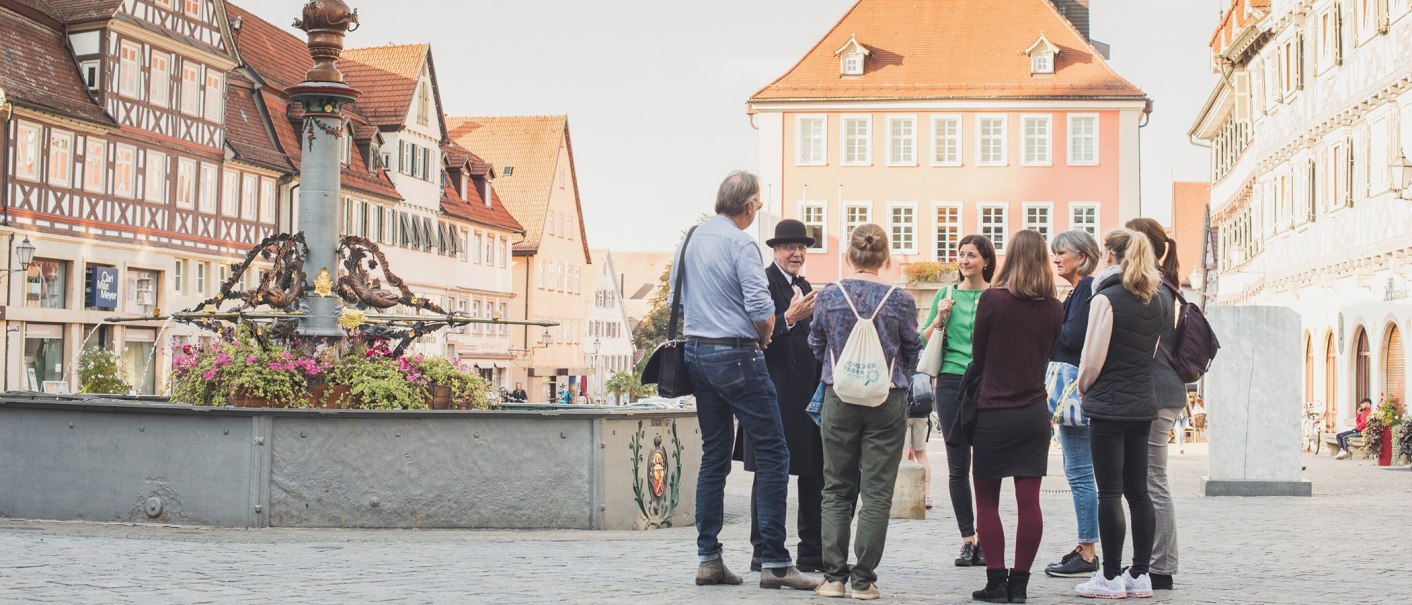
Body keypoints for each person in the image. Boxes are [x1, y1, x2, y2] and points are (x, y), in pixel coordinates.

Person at [671, 170, 818, 590]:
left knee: (714, 455)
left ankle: (709, 558)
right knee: (774, 452)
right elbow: (759, 305)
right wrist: (768, 333)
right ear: (751, 206)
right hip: (737, 353)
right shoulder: (741, 243)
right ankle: (774, 561)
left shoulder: (691, 238)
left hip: (697, 352)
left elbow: (674, 301)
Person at [808, 223, 921, 600]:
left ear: (850, 255)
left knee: (837, 488)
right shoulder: (900, 299)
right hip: (887, 398)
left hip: (840, 396)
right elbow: (911, 349)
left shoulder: (829, 295)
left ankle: (834, 578)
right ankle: (864, 581)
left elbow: (816, 343)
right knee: (877, 492)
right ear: (884, 256)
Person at [966, 230, 1064, 603]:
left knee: (987, 502)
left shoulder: (992, 300)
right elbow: (1049, 353)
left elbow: (979, 355)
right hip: (1033, 412)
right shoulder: (1055, 308)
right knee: (1029, 502)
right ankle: (1020, 584)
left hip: (993, 412)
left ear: (1009, 257)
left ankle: (995, 582)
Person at [1073, 229, 1167, 599]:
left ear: (1111, 255)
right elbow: (1152, 350)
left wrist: (1082, 386)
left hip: (1109, 404)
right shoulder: (1155, 298)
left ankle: (1110, 577)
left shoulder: (1106, 298)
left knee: (1109, 491)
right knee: (1138, 492)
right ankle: (1139, 574)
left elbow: (1092, 358)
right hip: (1142, 402)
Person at [733, 219, 825, 573]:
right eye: (789, 247)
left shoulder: (804, 285)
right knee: (772, 472)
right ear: (775, 250)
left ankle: (811, 551)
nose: (796, 253)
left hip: (806, 394)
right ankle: (764, 550)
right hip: (771, 392)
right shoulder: (763, 282)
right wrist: (789, 317)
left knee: (813, 470)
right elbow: (754, 334)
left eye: (801, 247)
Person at [919, 234, 995, 567]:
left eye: (972, 255)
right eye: (961, 255)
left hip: (987, 380)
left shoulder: (997, 297)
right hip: (950, 381)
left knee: (989, 464)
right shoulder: (945, 294)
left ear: (986, 261)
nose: (964, 261)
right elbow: (923, 340)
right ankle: (968, 539)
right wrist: (940, 319)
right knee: (957, 464)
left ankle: (990, 538)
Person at [1126, 217, 1191, 592]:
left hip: (1158, 392)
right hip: (1162, 391)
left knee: (1153, 480)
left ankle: (1161, 565)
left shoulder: (1157, 289)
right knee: (1149, 479)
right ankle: (1154, 562)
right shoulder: (1166, 284)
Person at [1043, 230, 1103, 580]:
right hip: (1075, 393)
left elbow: (1071, 337)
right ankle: (1086, 546)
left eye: (1061, 252)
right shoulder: (1078, 291)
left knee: (1080, 474)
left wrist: (1048, 321)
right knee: (1080, 473)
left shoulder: (1085, 291)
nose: (1056, 258)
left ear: (1081, 257)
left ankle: (1087, 550)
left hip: (1075, 394)